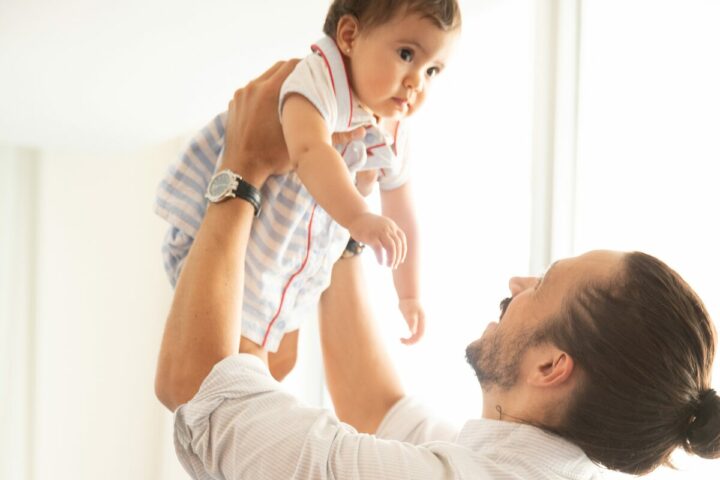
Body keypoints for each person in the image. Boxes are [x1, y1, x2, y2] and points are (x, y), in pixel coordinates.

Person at [154, 60, 720, 479]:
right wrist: (345, 223)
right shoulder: (513, 465)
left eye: (543, 285)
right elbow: (374, 406)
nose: (517, 284)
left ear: (553, 365)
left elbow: (199, 391)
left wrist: (243, 167)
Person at [154, 0, 461, 380]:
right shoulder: (317, 79)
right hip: (245, 245)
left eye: (433, 70)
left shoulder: (393, 126)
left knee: (282, 361)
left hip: (289, 263)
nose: (418, 82)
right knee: (237, 366)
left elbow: (403, 210)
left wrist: (409, 293)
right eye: (405, 54)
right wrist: (360, 217)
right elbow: (309, 151)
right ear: (349, 37)